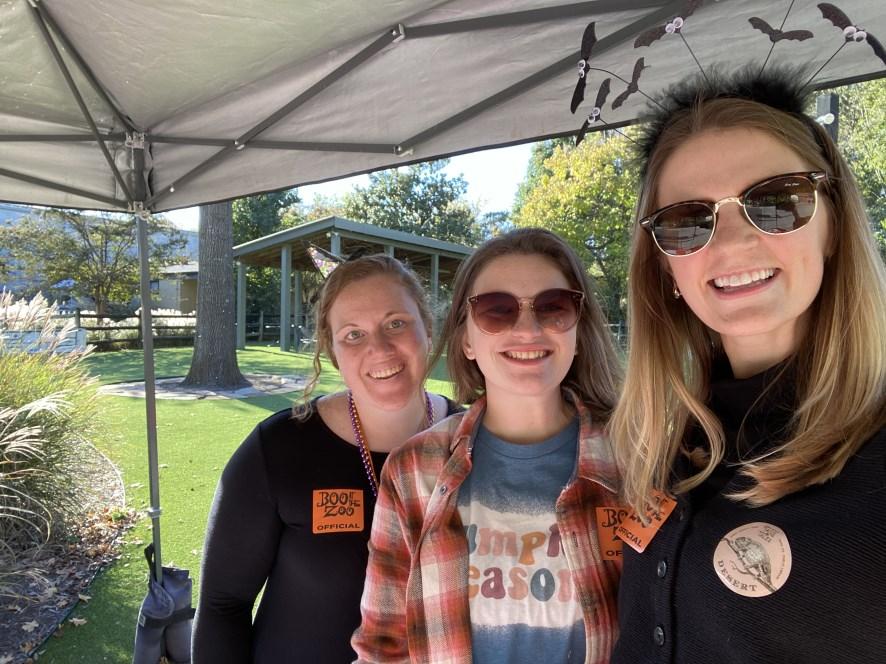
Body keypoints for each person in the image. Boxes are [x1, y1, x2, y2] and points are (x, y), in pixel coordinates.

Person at [609, 68, 886, 663]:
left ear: (834, 225)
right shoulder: (674, 444)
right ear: (665, 268)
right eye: (688, 220)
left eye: (778, 201)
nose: (732, 242)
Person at [352, 228, 623, 664]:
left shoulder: (639, 458)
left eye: (553, 307)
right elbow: (383, 647)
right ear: (466, 340)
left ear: (578, 330)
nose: (527, 329)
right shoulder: (412, 470)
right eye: (497, 310)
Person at [192, 255, 461, 664]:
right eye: (353, 334)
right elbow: (223, 605)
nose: (379, 348)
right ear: (333, 351)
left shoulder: (474, 442)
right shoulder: (278, 448)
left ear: (427, 327)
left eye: (396, 323)